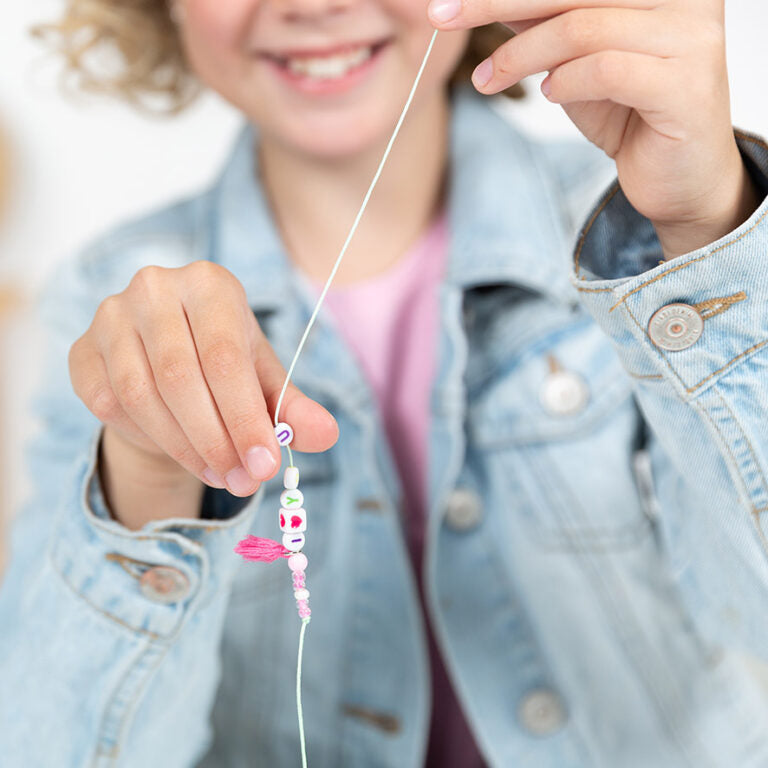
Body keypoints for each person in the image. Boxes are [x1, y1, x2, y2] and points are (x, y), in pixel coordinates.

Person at [2, 0, 768, 765]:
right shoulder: (107, 305)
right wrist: (146, 469)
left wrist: (705, 239)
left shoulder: (655, 231)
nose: (314, 5)